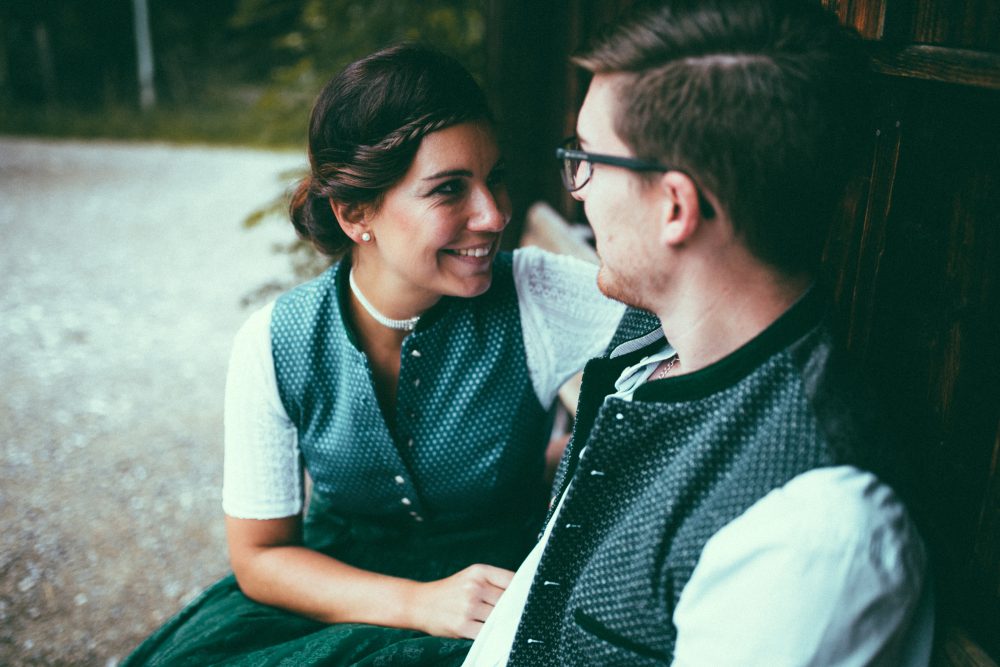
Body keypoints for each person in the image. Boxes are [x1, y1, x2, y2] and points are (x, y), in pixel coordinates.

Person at [464, 1, 934, 665]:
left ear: (675, 206)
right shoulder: (656, 349)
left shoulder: (815, 530)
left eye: (590, 159)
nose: (579, 193)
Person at [123, 43, 624, 666]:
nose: (494, 215)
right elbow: (261, 556)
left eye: (494, 177)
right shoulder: (274, 343)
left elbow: (699, 319)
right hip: (336, 592)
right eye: (449, 190)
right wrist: (418, 604)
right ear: (356, 212)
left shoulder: (538, 296)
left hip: (496, 598)